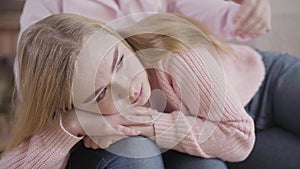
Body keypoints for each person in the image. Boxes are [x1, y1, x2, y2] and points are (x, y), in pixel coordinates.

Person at [0, 13, 258, 169]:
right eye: (100, 93)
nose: (128, 87)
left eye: (120, 61)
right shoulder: (72, 100)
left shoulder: (172, 57)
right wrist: (69, 125)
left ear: (118, 37)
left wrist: (142, 122)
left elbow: (239, 139)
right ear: (70, 104)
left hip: (256, 89)